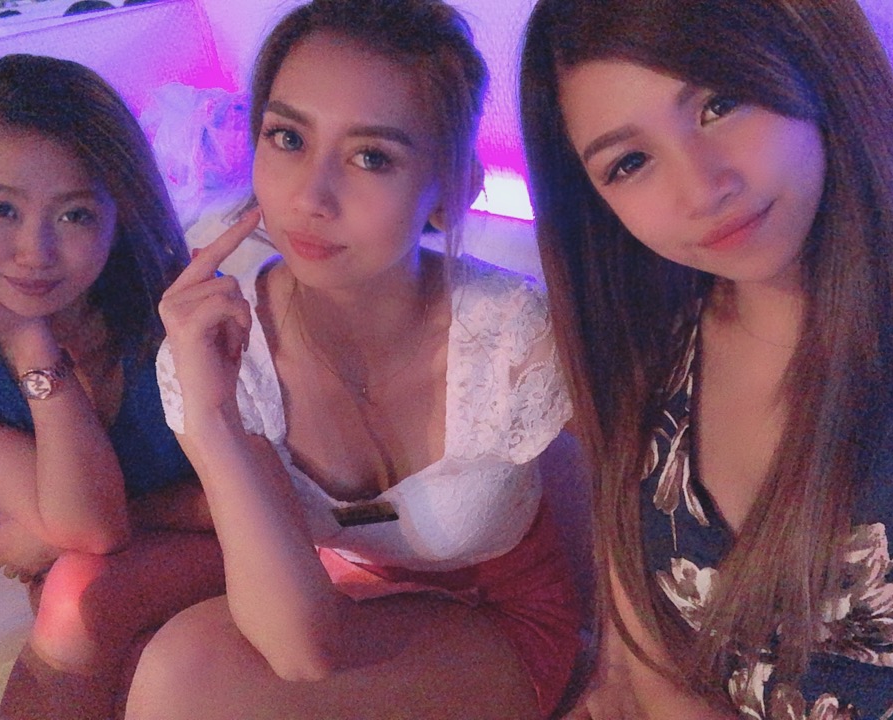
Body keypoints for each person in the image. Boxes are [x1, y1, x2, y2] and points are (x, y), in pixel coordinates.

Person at [518, 0, 893, 717]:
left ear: (810, 60)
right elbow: (660, 677)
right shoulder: (654, 370)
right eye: (630, 162)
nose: (702, 188)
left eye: (720, 104)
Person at [124, 1, 584, 718]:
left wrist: (629, 670)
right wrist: (211, 420)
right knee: (178, 668)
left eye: (372, 157)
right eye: (287, 138)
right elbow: (299, 645)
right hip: (346, 608)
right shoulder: (217, 345)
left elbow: (634, 509)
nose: (310, 197)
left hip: (504, 618)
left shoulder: (517, 335)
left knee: (187, 679)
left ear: (449, 192)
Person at [0, 54, 224, 719]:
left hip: (251, 544)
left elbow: (265, 492)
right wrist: (29, 341)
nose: (36, 252)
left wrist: (55, 535)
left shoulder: (183, 309)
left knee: (80, 594)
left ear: (118, 214)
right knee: (88, 603)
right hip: (112, 569)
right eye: (1, 208)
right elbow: (90, 526)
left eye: (75, 215)